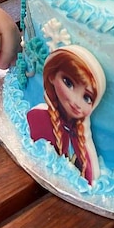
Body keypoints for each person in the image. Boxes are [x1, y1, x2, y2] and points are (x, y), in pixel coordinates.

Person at [26, 45, 106, 184]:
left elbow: (88, 179)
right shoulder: (37, 118)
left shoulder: (82, 144)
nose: (75, 102)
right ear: (51, 76)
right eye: (68, 83)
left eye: (87, 98)